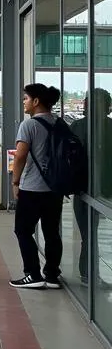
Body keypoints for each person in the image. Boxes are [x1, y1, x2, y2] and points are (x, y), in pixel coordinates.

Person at [10, 84, 67, 290]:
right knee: (51, 231)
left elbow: (20, 156)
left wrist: (15, 182)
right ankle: (52, 275)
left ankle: (32, 274)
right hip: (54, 188)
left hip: (32, 188)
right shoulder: (60, 123)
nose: (24, 102)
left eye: (26, 98)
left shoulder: (29, 125)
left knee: (23, 230)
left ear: (35, 101)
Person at [71, 88, 112, 284]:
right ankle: (89, 274)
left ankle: (88, 273)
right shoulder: (110, 127)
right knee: (90, 234)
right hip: (102, 191)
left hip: (83, 189)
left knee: (88, 234)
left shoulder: (77, 127)